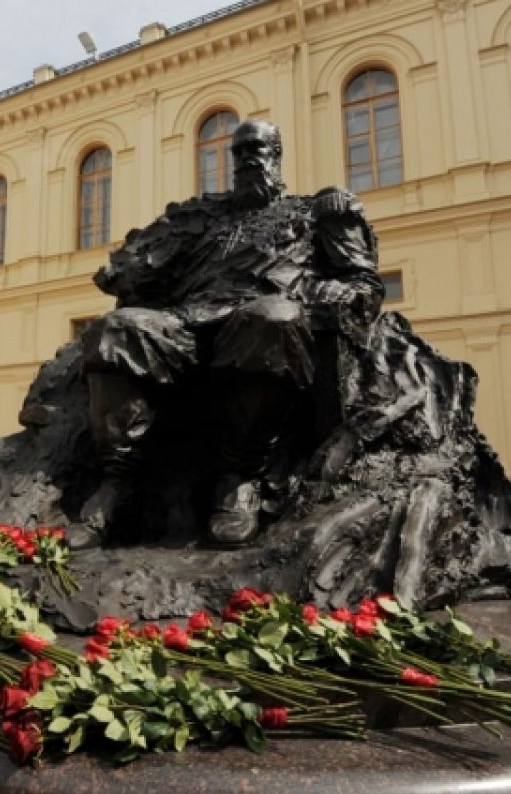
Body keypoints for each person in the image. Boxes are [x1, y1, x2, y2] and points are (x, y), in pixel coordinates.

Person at [70, 119, 384, 549]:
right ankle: (116, 482)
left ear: (277, 154)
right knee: (118, 329)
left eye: (259, 149)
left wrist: (325, 294)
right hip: (187, 323)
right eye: (240, 152)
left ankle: (239, 477)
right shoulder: (202, 217)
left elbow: (362, 286)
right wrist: (137, 263)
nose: (249, 159)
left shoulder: (314, 213)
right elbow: (128, 272)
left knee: (272, 318)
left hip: (255, 323)